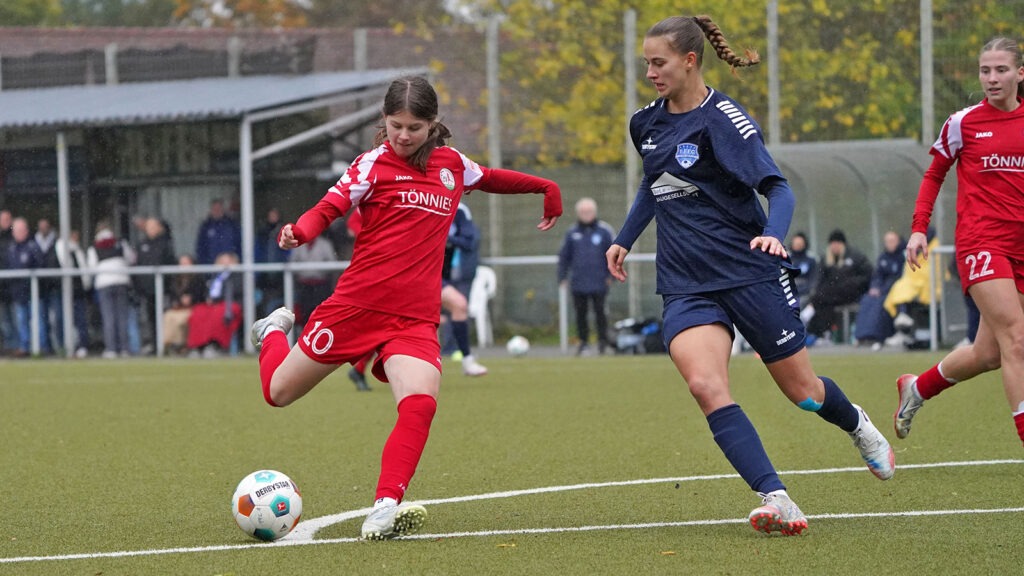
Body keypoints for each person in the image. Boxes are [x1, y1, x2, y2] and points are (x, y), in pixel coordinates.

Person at [604, 15, 894, 537]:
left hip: (749, 273)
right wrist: (626, 237)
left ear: (690, 61)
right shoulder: (644, 123)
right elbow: (654, 182)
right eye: (646, 62)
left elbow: (778, 189)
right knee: (704, 384)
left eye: (658, 62)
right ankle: (776, 498)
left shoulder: (726, 121)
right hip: (687, 282)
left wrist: (774, 234)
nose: (649, 72)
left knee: (803, 393)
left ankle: (857, 424)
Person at [250, 75, 561, 540]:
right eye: (395, 124)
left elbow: (492, 178)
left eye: (414, 126)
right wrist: (302, 230)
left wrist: (545, 186)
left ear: (433, 124)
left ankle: (384, 505)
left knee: (419, 404)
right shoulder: (371, 165)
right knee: (278, 393)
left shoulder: (452, 165)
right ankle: (273, 330)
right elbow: (329, 207)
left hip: (414, 317)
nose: (403, 135)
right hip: (355, 307)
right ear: (384, 121)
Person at [894, 37, 1024, 448]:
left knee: (989, 353)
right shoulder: (963, 122)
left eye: (1001, 70)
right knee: (1017, 338)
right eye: (985, 70)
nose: (991, 78)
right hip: (980, 242)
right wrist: (918, 228)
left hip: (1019, 247)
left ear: (1020, 73)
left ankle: (917, 388)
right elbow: (934, 176)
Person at [558, 197, 615, 355]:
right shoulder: (572, 233)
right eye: (583, 212)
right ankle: (583, 343)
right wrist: (562, 277)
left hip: (599, 281)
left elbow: (614, 254)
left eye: (589, 211)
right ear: (578, 213)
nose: (586, 214)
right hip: (578, 282)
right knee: (580, 315)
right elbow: (564, 257)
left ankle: (603, 343)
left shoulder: (604, 231)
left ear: (594, 212)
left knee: (600, 313)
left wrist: (611, 275)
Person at [439, 201, 488, 375]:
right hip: (412, 270)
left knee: (459, 305)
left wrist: (447, 239)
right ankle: (361, 367)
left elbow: (469, 241)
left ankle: (466, 360)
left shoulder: (458, 210)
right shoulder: (416, 200)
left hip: (435, 273)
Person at [803, 229, 873, 343]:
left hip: (851, 294)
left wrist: (852, 283)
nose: (834, 246)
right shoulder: (825, 259)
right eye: (832, 244)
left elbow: (867, 275)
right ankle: (823, 333)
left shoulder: (856, 257)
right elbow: (819, 279)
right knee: (823, 302)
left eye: (837, 243)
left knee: (821, 298)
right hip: (831, 296)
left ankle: (811, 321)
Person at [85, 221, 133, 359]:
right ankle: (124, 348)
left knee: (108, 316)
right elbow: (130, 259)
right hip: (121, 281)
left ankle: (111, 349)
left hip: (104, 283)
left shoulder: (94, 247)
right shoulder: (120, 242)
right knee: (122, 316)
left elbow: (92, 267)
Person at [854, 230, 905, 349]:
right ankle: (861, 336)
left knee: (880, 303)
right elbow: (877, 275)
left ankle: (876, 336)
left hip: (893, 291)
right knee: (867, 300)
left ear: (898, 241)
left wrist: (883, 289)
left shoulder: (903, 257)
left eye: (892, 241)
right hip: (881, 290)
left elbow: (899, 277)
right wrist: (875, 287)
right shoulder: (883, 257)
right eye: (887, 241)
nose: (890, 244)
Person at [133, 217, 177, 355]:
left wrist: (168, 285)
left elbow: (171, 263)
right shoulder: (142, 245)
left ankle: (166, 345)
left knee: (164, 317)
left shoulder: (166, 244)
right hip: (147, 291)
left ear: (159, 228)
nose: (150, 229)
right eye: (148, 226)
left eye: (153, 226)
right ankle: (154, 345)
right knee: (150, 319)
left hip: (163, 290)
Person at [186, 252, 242, 358]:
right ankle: (198, 345)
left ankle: (215, 344)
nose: (225, 264)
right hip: (212, 304)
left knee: (218, 315)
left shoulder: (238, 275)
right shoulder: (214, 276)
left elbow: (237, 291)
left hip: (229, 303)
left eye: (228, 261)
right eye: (222, 261)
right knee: (198, 312)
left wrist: (219, 298)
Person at [6, 217, 43, 357]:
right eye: (16, 230)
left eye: (21, 230)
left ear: (26, 231)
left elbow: (39, 264)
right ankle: (24, 347)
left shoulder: (33, 246)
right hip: (18, 292)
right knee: (21, 321)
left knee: (38, 320)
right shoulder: (11, 248)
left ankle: (41, 347)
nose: (19, 233)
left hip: (33, 292)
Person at [56, 230, 93, 358]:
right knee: (67, 319)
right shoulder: (62, 247)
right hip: (67, 290)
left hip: (78, 290)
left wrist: (86, 285)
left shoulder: (76, 250)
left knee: (80, 319)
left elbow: (83, 271)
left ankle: (80, 346)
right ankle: (68, 346)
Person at [163, 254, 206, 356]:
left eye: (186, 263)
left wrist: (191, 299)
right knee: (168, 316)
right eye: (181, 263)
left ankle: (181, 346)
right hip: (179, 308)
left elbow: (201, 295)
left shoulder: (198, 278)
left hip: (194, 308)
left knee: (180, 320)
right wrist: (178, 301)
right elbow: (172, 295)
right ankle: (169, 345)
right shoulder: (175, 279)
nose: (183, 265)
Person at [34, 218, 62, 355]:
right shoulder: (34, 243)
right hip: (40, 287)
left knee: (58, 318)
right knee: (42, 318)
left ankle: (61, 346)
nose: (43, 228)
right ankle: (46, 348)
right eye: (41, 226)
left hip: (55, 285)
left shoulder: (57, 242)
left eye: (45, 226)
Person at [195, 199, 242, 265]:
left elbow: (239, 244)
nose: (217, 211)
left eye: (219, 208)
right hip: (211, 267)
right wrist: (205, 264)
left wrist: (237, 261)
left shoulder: (232, 225)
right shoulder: (205, 227)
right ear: (211, 210)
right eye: (214, 209)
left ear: (223, 209)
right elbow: (200, 248)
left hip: (231, 266)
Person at [788, 232, 818, 310]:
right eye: (796, 243)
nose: (798, 245)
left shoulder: (811, 260)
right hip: (789, 293)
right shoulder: (786, 259)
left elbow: (813, 279)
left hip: (805, 295)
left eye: (800, 243)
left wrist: (809, 290)